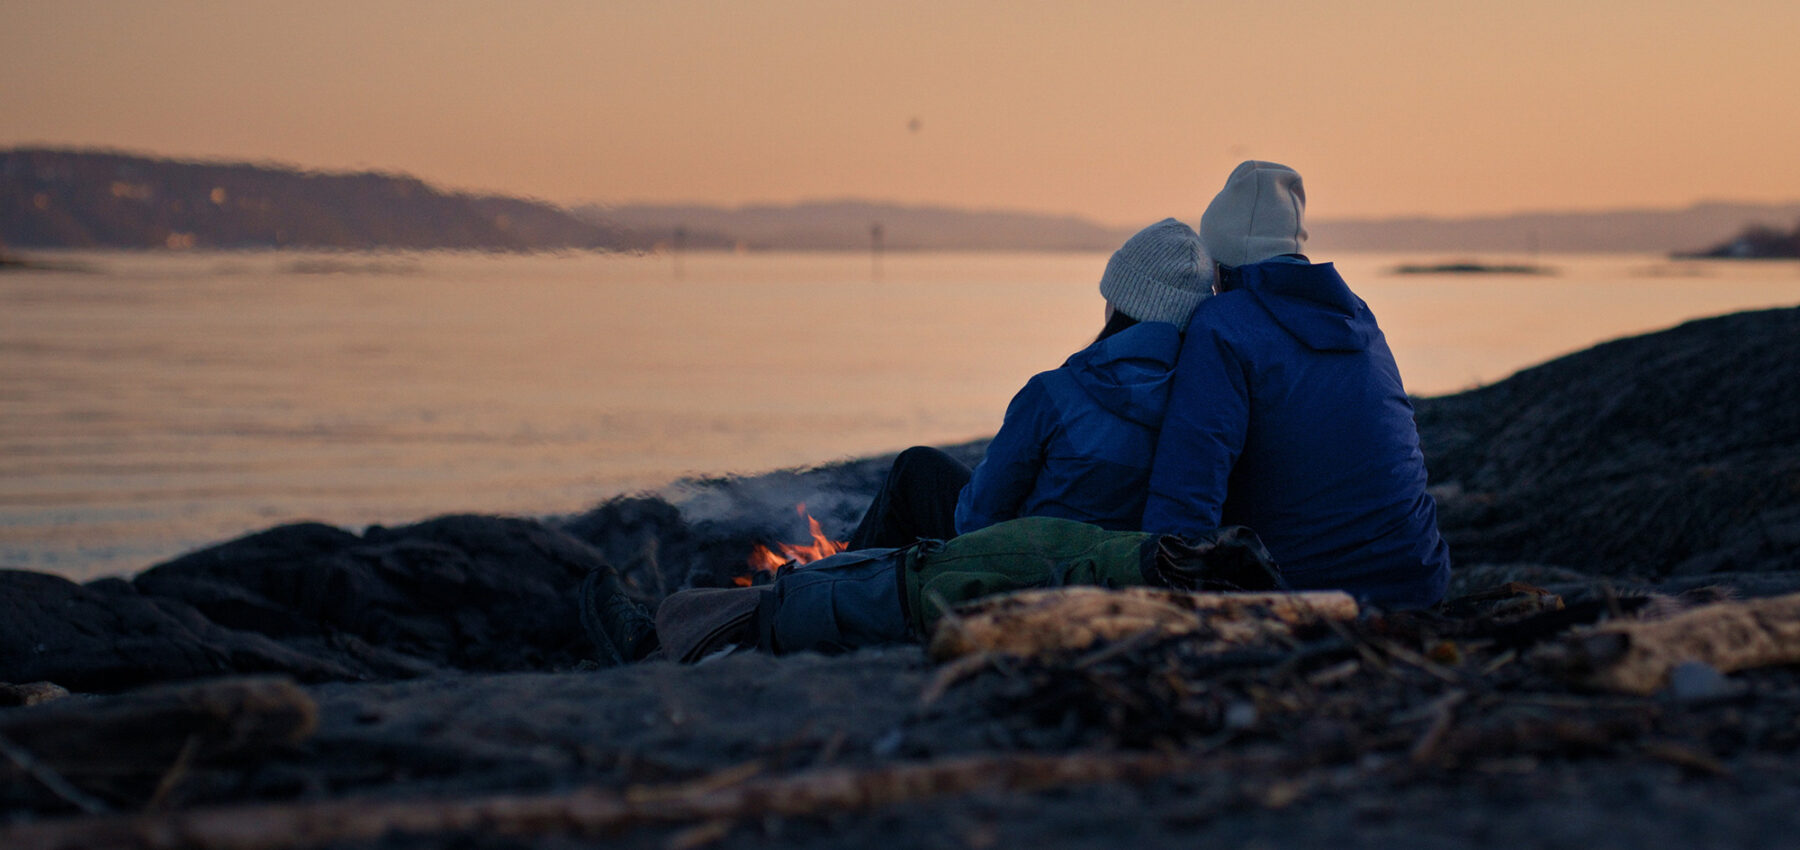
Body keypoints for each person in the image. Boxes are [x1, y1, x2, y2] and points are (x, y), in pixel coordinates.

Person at [1142, 161, 1451, 610]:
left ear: (1222, 264)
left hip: (1306, 593)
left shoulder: (1224, 324)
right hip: (1418, 579)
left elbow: (1188, 487)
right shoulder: (1357, 316)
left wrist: (1159, 583)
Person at [849, 218, 1215, 549]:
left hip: (1026, 571)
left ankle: (840, 590)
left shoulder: (1056, 393)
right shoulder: (1202, 405)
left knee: (916, 468)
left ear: (1119, 301)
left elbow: (974, 519)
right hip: (1117, 579)